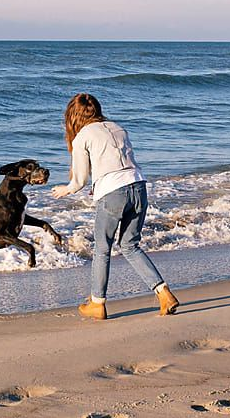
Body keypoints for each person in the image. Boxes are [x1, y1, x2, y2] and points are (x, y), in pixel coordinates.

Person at [52, 92, 179, 320]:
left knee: (102, 249)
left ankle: (97, 304)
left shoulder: (82, 136)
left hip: (113, 194)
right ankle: (164, 293)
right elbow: (118, 163)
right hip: (138, 187)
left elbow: (79, 181)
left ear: (72, 116)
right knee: (130, 246)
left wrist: (65, 189)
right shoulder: (118, 128)